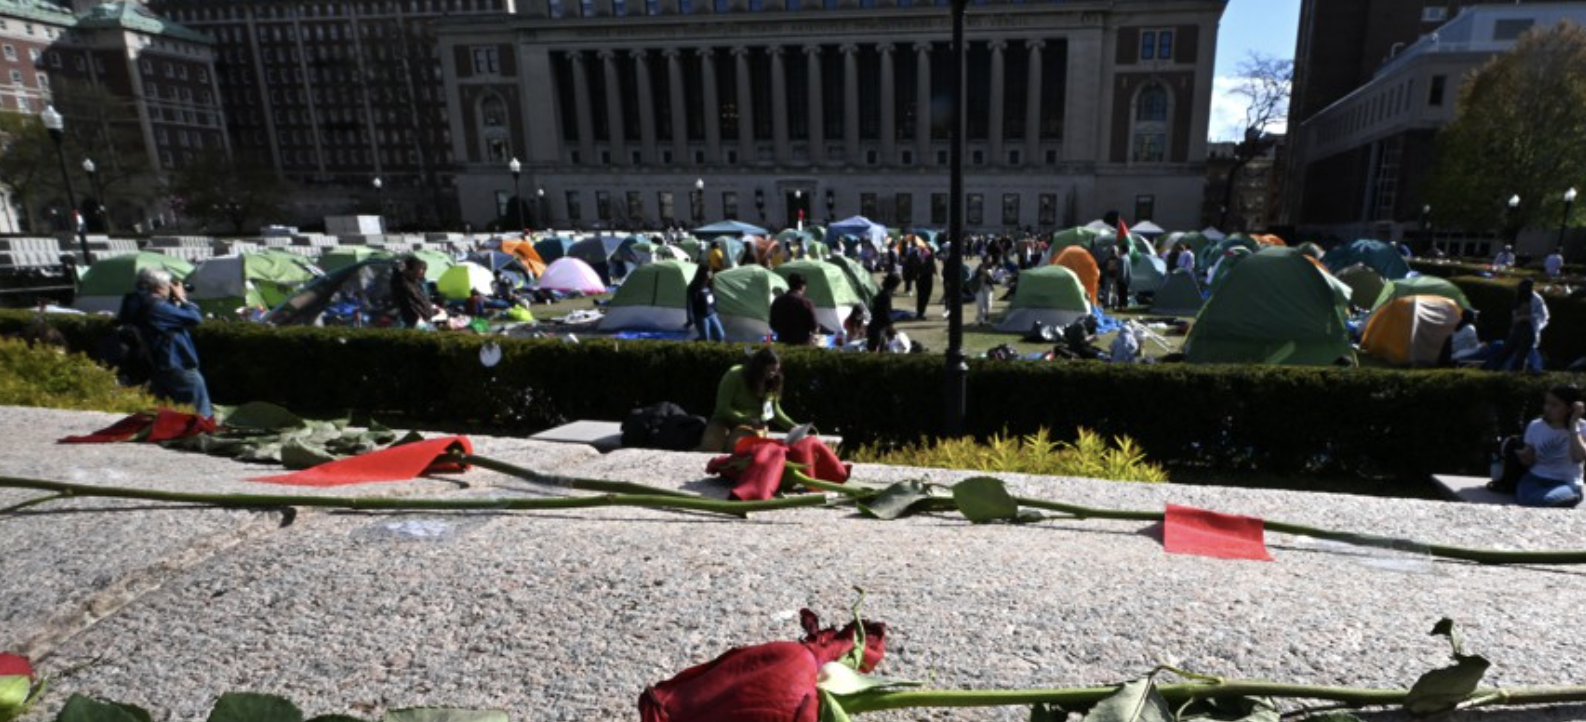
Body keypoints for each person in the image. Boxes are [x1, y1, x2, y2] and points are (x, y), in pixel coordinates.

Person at [119, 268, 212, 418]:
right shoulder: (158, 307)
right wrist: (182, 299)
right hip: (178, 365)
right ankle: (202, 435)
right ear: (158, 287)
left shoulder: (135, 302)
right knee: (199, 410)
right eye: (168, 285)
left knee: (170, 411)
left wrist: (170, 300)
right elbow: (195, 318)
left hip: (157, 366)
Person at [699, 347, 799, 452]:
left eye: (775, 371)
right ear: (758, 367)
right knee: (710, 447)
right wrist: (746, 419)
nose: (771, 375)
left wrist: (793, 426)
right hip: (724, 420)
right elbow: (722, 407)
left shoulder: (773, 381)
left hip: (751, 425)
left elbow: (773, 411)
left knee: (736, 447)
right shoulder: (735, 375)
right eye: (768, 370)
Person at [1515, 384, 1586, 508]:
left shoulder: (1582, 427)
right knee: (1527, 499)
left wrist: (1573, 424)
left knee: (1541, 500)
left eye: (1554, 405)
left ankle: (1570, 495)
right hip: (1535, 478)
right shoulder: (1535, 425)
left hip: (1566, 482)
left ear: (1570, 408)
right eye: (1546, 403)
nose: (1547, 408)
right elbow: (1529, 461)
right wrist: (1525, 457)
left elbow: (1578, 457)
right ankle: (1554, 500)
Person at [1485, 279, 1549, 372]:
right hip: (1519, 329)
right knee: (1507, 352)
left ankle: (1522, 372)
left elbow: (1543, 316)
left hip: (1528, 330)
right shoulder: (1520, 296)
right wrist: (1515, 325)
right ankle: (1496, 369)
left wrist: (1528, 318)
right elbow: (1515, 315)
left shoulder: (1536, 299)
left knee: (1521, 355)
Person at [769, 272, 819, 345]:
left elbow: (772, 324)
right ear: (802, 286)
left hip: (782, 342)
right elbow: (814, 326)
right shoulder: (806, 302)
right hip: (801, 343)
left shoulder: (778, 300)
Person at [391, 256, 438, 329]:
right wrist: (398, 270)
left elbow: (422, 299)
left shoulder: (416, 282)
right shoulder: (402, 283)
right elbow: (397, 279)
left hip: (426, 320)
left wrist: (431, 311)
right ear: (409, 270)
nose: (421, 273)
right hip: (415, 322)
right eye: (418, 270)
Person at [685, 264, 726, 342]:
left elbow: (713, 298)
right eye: (707, 274)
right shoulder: (693, 287)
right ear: (701, 274)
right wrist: (690, 318)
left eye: (710, 274)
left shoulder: (709, 284)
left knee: (720, 336)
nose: (709, 276)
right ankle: (692, 345)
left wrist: (715, 309)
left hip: (712, 314)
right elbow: (689, 303)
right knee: (705, 338)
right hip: (701, 316)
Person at [867, 272, 900, 352]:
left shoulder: (883, 294)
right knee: (876, 350)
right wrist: (890, 325)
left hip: (876, 325)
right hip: (878, 327)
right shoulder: (886, 296)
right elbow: (884, 313)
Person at [913, 244, 936, 319]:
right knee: (925, 296)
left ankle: (919, 312)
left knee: (920, 296)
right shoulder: (929, 256)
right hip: (926, 278)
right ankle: (921, 313)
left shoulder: (917, 256)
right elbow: (931, 268)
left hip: (919, 278)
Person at [971, 258, 995, 326]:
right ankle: (981, 320)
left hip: (988, 288)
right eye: (988, 260)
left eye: (990, 260)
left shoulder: (991, 269)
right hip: (979, 288)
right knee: (980, 304)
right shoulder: (977, 270)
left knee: (988, 303)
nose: (990, 261)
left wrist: (987, 274)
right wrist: (979, 277)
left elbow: (993, 280)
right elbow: (973, 279)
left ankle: (986, 316)